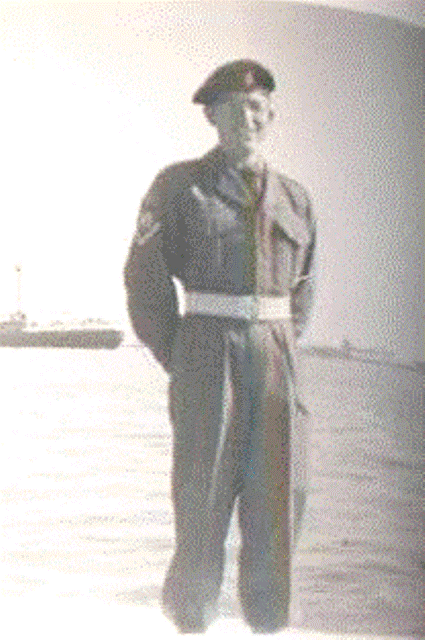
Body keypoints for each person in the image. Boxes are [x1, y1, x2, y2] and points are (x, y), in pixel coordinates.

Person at [124, 59, 316, 634]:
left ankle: (269, 626)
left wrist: (280, 347)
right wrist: (182, 356)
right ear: (211, 117)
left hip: (277, 361)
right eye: (231, 110)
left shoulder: (297, 199)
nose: (245, 120)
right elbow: (144, 280)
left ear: (271, 115)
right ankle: (191, 623)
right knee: (201, 502)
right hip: (206, 357)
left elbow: (305, 291)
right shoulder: (179, 187)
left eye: (256, 109)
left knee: (282, 501)